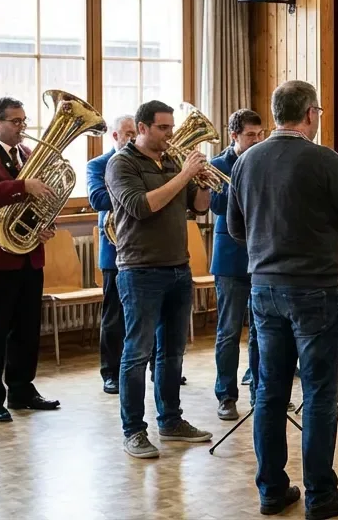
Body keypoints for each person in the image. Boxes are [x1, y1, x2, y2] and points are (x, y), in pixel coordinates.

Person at [228, 80, 338, 520]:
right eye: (317, 111)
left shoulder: (247, 161)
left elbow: (235, 230)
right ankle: (320, 494)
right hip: (314, 291)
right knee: (319, 393)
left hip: (263, 289)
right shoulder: (323, 159)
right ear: (310, 115)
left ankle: (272, 490)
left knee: (269, 392)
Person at [107, 100, 214, 458]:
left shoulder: (171, 161)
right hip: (140, 270)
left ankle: (170, 421)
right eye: (164, 128)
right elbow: (141, 206)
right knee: (136, 353)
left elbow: (197, 208)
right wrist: (184, 174)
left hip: (178, 267)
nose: (171, 134)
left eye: (171, 127)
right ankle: (133, 430)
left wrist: (202, 182)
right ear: (142, 128)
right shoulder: (120, 164)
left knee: (172, 352)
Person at [0, 97, 60, 423]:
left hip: (29, 254)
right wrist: (23, 186)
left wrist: (44, 225)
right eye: (15, 121)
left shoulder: (28, 155)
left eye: (23, 120)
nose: (22, 127)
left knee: (28, 328)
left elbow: (39, 201)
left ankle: (21, 389)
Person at [210, 108, 265, 420]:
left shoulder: (263, 160)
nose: (256, 140)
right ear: (234, 136)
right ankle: (226, 396)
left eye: (260, 135)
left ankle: (261, 392)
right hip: (231, 257)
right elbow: (216, 205)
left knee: (261, 330)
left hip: (260, 256)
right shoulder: (218, 165)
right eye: (250, 136)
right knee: (229, 331)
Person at [88, 114, 136, 395]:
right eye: (126, 133)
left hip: (143, 248)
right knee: (114, 315)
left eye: (134, 133)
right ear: (115, 136)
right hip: (114, 248)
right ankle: (110, 372)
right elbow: (98, 199)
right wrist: (132, 191)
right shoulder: (97, 165)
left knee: (148, 315)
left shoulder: (145, 161)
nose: (131, 138)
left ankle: (155, 367)